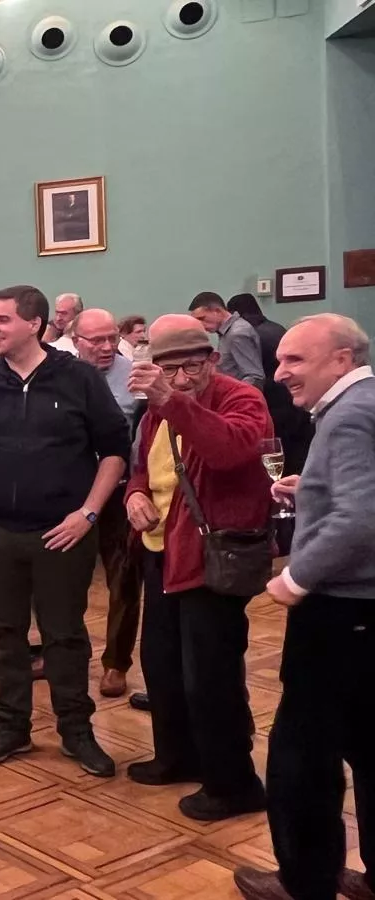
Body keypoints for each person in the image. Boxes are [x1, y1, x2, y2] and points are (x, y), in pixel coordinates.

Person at [0, 285, 130, 777]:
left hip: (62, 532)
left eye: (1, 320)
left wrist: (89, 513)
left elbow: (115, 450)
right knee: (4, 635)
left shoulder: (77, 377)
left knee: (65, 635)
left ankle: (76, 731)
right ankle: (12, 727)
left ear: (34, 324)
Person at [233, 314, 375, 900]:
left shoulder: (348, 416)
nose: (278, 372)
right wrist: (311, 487)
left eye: (294, 359)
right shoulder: (364, 403)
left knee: (302, 754)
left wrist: (295, 577)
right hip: (364, 611)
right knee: (367, 742)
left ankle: (305, 880)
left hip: (340, 610)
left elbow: (361, 519)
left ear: (341, 359)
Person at [119, 315, 272, 823]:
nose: (181, 378)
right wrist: (135, 495)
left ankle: (234, 785)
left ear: (214, 359)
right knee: (161, 663)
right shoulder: (156, 410)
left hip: (213, 556)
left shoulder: (241, 398)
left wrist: (171, 400)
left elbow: (229, 451)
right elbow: (144, 467)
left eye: (191, 366)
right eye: (168, 369)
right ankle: (177, 756)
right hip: (162, 551)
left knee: (210, 675)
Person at [71, 310, 143, 698]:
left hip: (119, 492)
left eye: (112, 338)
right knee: (63, 580)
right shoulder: (62, 375)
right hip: (70, 492)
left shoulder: (134, 378)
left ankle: (116, 662)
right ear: (76, 341)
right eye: (96, 340)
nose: (106, 347)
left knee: (124, 579)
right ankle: (64, 654)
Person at [229, 293, 314, 476]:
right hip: (295, 400)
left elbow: (254, 374)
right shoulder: (277, 328)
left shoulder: (245, 334)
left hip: (273, 405)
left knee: (279, 459)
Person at [188, 291, 265, 387]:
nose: (200, 325)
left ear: (217, 311)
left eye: (202, 318)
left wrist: (238, 394)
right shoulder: (227, 332)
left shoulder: (237, 333)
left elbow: (254, 376)